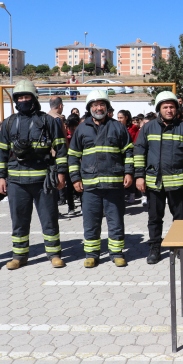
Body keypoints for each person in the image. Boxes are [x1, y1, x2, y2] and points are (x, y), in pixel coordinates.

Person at [0, 81, 68, 269]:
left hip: (44, 181)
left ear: (34, 99)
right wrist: (1, 177)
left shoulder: (48, 121)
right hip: (16, 182)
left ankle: (54, 254)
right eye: (19, 98)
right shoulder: (9, 123)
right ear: (15, 100)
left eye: (26, 97)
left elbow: (60, 149)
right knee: (19, 220)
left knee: (49, 219)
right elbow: (1, 152)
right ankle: (19, 256)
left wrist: (61, 174)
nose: (23, 100)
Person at [68, 90, 134, 268]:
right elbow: (73, 155)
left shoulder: (118, 127)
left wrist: (128, 172)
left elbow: (128, 151)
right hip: (90, 185)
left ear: (107, 107)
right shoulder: (82, 129)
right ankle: (92, 254)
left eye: (102, 104)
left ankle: (117, 253)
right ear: (89, 108)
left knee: (116, 220)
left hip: (114, 184)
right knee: (91, 221)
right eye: (95, 105)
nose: (98, 107)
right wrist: (75, 178)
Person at [134, 91, 183, 263]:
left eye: (172, 107)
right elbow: (139, 152)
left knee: (180, 218)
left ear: (176, 109)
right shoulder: (147, 128)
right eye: (165, 107)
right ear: (159, 109)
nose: (169, 110)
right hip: (154, 183)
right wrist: (139, 177)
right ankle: (155, 248)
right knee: (155, 218)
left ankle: (180, 248)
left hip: (178, 183)